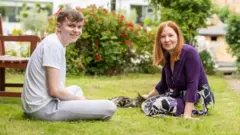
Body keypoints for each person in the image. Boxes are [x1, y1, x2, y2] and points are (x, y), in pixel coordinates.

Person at [21, 8, 117, 121]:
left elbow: (56, 88)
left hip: (40, 104)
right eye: (71, 26)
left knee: (76, 89)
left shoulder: (57, 42)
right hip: (42, 108)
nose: (76, 30)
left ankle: (82, 107)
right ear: (59, 26)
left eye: (79, 27)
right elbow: (54, 90)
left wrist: (76, 98)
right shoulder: (54, 45)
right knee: (109, 107)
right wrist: (79, 100)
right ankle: (84, 106)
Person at [141, 21, 215, 119]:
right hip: (179, 96)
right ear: (159, 40)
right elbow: (163, 84)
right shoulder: (167, 56)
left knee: (158, 104)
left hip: (198, 99)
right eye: (163, 36)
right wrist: (148, 96)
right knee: (148, 103)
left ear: (178, 36)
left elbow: (192, 84)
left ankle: (187, 110)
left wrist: (187, 115)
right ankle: (175, 108)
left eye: (171, 35)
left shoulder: (189, 52)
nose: (167, 40)